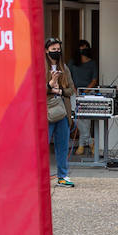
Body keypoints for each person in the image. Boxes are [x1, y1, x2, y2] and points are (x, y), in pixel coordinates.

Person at [45, 38, 75, 187]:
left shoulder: (64, 68)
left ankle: (62, 176)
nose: (57, 52)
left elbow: (71, 90)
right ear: (46, 50)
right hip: (47, 111)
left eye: (58, 49)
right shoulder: (40, 67)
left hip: (62, 111)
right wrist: (50, 85)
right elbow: (34, 89)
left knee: (63, 145)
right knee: (42, 146)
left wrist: (59, 90)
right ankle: (40, 177)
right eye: (53, 49)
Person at [68, 41, 98, 156]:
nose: (83, 51)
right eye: (81, 48)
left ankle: (81, 145)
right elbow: (68, 77)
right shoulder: (72, 62)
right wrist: (76, 91)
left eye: (85, 48)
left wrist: (85, 91)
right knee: (77, 118)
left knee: (87, 119)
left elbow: (94, 80)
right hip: (74, 92)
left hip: (88, 93)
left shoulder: (92, 63)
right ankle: (91, 142)